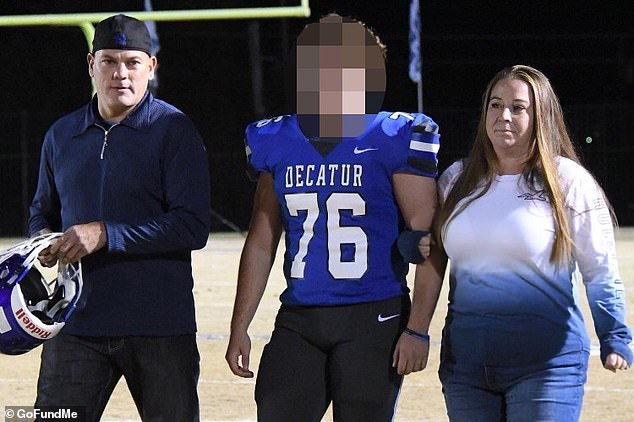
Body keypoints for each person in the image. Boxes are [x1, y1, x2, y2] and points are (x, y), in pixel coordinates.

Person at [225, 13, 441, 422]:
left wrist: (417, 329)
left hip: (373, 313)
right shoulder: (276, 138)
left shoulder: (394, 136)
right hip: (300, 314)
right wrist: (240, 324)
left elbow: (430, 242)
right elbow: (262, 237)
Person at [414, 64, 632, 422]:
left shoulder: (568, 182)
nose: (504, 116)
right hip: (466, 368)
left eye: (518, 107)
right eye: (495, 105)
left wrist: (614, 335)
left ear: (540, 115)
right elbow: (431, 253)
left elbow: (600, 269)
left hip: (547, 367)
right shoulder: (456, 180)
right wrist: (414, 246)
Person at [28, 14, 210, 422]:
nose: (120, 73)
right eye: (109, 61)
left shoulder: (175, 130)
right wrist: (41, 240)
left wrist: (107, 234)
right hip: (77, 323)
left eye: (132, 62)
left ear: (152, 67)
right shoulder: (61, 134)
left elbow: (193, 225)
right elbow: (42, 210)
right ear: (91, 64)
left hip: (159, 325)